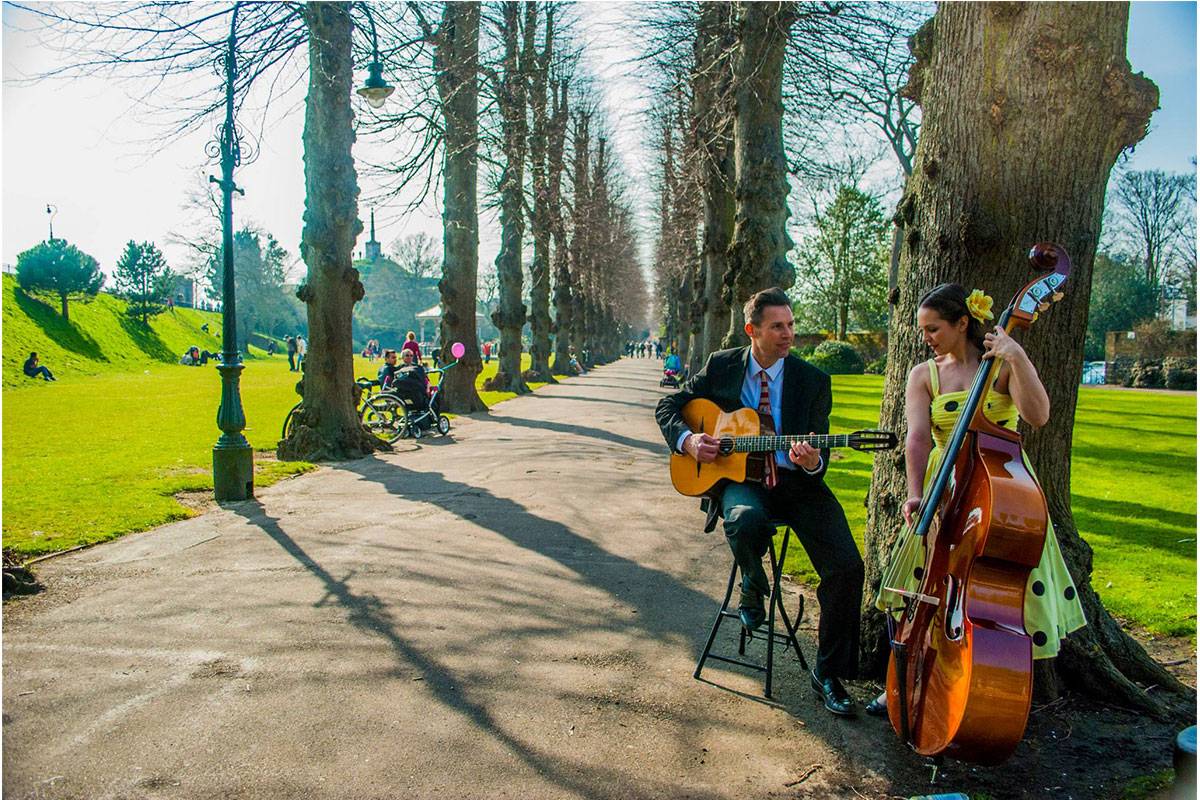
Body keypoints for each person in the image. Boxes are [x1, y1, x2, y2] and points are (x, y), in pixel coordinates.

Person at [865, 283, 1086, 718]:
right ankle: (906, 678)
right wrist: (915, 495)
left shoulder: (1000, 366)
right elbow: (917, 438)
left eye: (934, 328)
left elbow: (1037, 416)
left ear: (963, 322)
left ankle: (986, 686)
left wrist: (1015, 355)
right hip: (944, 488)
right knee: (926, 588)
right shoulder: (923, 375)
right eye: (922, 329)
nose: (925, 337)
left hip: (999, 487)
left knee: (992, 592)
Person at [656, 287, 863, 717]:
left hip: (796, 484)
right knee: (746, 520)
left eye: (791, 324)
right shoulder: (722, 366)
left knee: (846, 566)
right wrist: (690, 439)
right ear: (752, 330)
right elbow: (669, 405)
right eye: (778, 326)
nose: (789, 334)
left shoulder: (812, 381)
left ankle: (829, 673)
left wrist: (810, 461)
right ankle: (753, 584)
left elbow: (817, 458)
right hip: (741, 479)